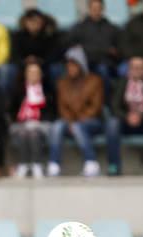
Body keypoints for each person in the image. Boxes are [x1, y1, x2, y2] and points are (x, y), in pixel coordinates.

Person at [48, 46, 104, 178]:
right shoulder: (62, 83)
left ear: (81, 65)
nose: (70, 68)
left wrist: (77, 121)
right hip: (70, 121)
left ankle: (91, 163)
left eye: (73, 65)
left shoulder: (95, 81)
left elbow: (95, 107)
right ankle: (54, 165)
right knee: (57, 126)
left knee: (78, 127)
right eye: (68, 65)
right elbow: (62, 107)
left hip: (91, 121)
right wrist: (70, 122)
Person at [106, 56, 143, 176]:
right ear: (129, 69)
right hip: (126, 121)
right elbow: (114, 106)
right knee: (112, 123)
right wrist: (127, 116)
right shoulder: (122, 82)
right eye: (133, 67)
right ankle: (114, 165)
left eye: (139, 68)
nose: (136, 70)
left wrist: (141, 115)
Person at [9, 58, 53, 178]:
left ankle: (36, 164)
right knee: (24, 132)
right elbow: (11, 111)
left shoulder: (47, 91)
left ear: (41, 75)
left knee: (33, 132)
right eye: (30, 73)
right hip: (21, 124)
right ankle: (23, 164)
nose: (33, 75)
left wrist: (37, 122)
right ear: (25, 75)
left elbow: (51, 112)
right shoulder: (18, 90)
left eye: (36, 73)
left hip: (41, 124)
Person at [67, 0, 120, 96]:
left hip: (106, 63)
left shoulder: (111, 28)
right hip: (84, 63)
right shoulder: (80, 27)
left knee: (104, 69)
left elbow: (117, 49)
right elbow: (69, 44)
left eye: (98, 8)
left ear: (103, 9)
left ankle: (105, 102)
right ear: (89, 9)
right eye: (93, 8)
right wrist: (104, 50)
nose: (96, 11)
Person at [10, 9, 60, 79]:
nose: (34, 24)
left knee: (55, 68)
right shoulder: (18, 36)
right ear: (25, 22)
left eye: (37, 21)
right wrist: (24, 61)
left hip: (44, 65)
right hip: (22, 65)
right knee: (11, 69)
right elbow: (14, 54)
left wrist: (40, 61)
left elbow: (54, 53)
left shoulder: (49, 35)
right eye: (31, 21)